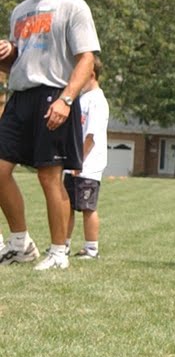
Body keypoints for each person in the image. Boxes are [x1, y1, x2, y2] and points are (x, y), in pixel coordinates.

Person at [0, 0, 101, 272]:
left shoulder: (71, 4)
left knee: (49, 177)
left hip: (54, 95)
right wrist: (7, 54)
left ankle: (59, 252)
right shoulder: (19, 11)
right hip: (20, 96)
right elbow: (20, 62)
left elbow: (87, 58)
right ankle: (20, 244)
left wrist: (67, 99)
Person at [64, 53, 109, 259]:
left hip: (87, 165)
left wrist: (78, 160)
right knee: (67, 205)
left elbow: (91, 135)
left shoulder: (98, 101)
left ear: (90, 73)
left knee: (87, 207)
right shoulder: (82, 98)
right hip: (73, 163)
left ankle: (91, 249)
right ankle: (63, 244)